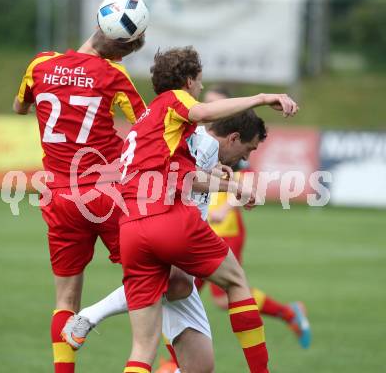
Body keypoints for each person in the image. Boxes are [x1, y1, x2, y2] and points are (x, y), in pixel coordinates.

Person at [118, 46, 299, 373]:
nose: (201, 89)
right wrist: (260, 98)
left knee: (144, 349)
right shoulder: (176, 100)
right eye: (199, 82)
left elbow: (178, 175)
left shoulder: (148, 121)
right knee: (236, 282)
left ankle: (91, 317)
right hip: (167, 219)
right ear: (188, 81)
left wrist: (228, 185)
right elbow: (202, 114)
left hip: (130, 229)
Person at [62, 109, 268, 373]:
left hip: (149, 227)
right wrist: (233, 187)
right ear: (233, 138)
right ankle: (91, 314)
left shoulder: (198, 144)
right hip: (165, 227)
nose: (245, 158)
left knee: (199, 365)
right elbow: (186, 179)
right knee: (195, 280)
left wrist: (219, 177)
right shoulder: (202, 143)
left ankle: (91, 315)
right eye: (248, 150)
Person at [13, 28, 147, 373]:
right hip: (107, 193)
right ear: (124, 49)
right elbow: (148, 128)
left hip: (58, 195)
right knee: (155, 282)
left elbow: (19, 107)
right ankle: (166, 365)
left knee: (64, 300)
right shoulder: (113, 74)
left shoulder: (40, 64)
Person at [196, 86, 312, 349]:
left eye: (216, 102)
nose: (209, 105)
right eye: (208, 101)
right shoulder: (203, 135)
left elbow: (247, 181)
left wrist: (226, 208)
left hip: (224, 230)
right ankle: (172, 362)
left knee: (215, 296)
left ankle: (288, 312)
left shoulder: (231, 140)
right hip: (200, 225)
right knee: (182, 289)